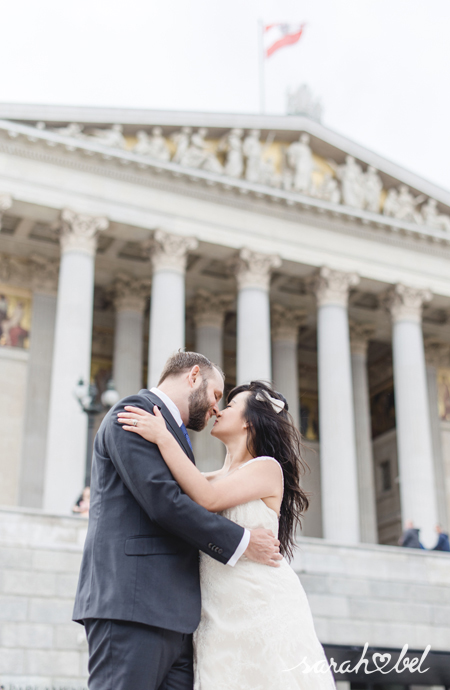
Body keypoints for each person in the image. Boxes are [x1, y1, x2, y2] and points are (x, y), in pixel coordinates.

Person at [73, 352, 281, 690]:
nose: (216, 408)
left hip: (177, 617)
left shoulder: (171, 432)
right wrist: (242, 541)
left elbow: (197, 493)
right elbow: (165, 503)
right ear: (194, 375)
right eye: (216, 395)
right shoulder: (134, 414)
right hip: (134, 606)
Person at [118, 379, 336, 690]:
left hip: (258, 602)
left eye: (231, 405)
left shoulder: (266, 468)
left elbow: (207, 498)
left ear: (249, 421)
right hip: (216, 610)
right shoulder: (214, 476)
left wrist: (164, 438)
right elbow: (177, 493)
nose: (218, 411)